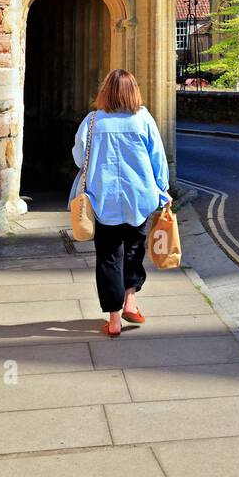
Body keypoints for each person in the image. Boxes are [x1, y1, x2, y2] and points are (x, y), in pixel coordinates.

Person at [69, 69, 171, 337]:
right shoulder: (143, 119)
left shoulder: (92, 122)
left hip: (104, 201)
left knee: (108, 257)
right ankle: (131, 302)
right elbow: (158, 159)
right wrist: (163, 189)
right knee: (134, 251)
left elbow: (80, 159)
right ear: (133, 91)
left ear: (105, 92)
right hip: (139, 198)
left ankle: (114, 320)